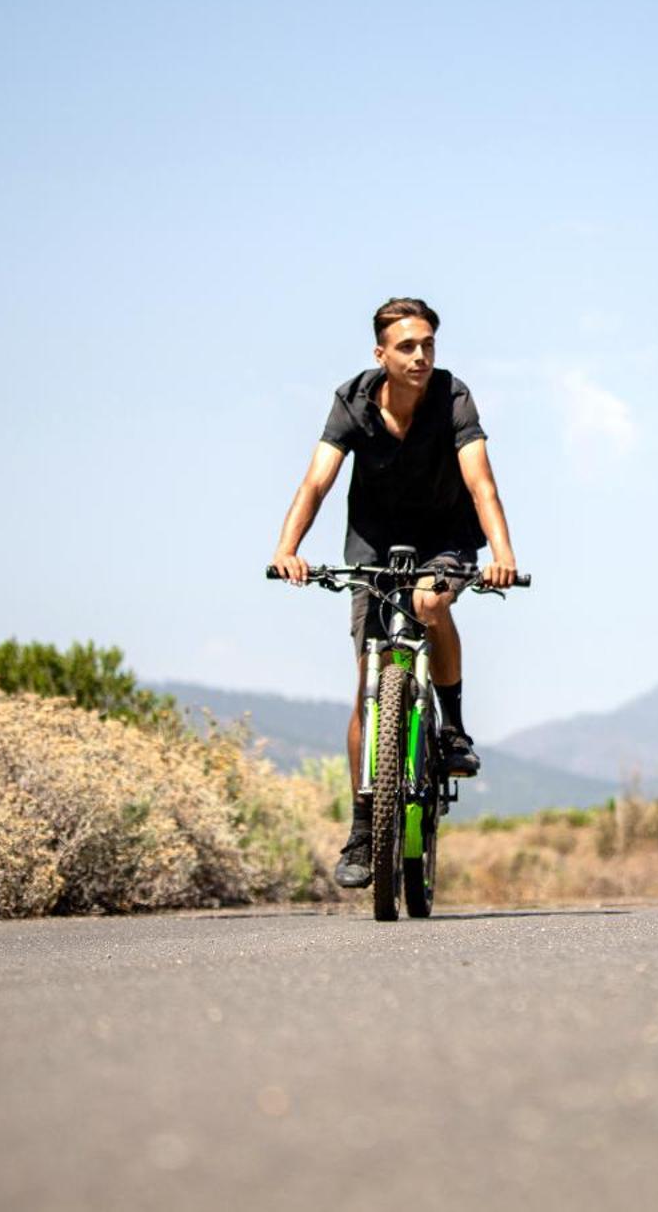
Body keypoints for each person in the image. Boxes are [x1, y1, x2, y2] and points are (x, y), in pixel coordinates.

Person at [270, 297, 519, 889]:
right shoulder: (351, 402)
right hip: (374, 548)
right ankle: (363, 826)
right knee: (369, 676)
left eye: (429, 344)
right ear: (381, 354)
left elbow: (481, 484)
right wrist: (287, 548)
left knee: (432, 604)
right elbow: (317, 480)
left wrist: (503, 554)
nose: (421, 356)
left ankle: (453, 730)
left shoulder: (453, 396)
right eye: (408, 346)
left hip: (445, 540)